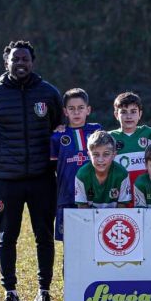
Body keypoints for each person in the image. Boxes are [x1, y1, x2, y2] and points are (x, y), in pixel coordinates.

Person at [0, 40, 63, 301]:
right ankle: (10, 292)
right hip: (7, 180)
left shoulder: (49, 93)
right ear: (6, 62)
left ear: (33, 62)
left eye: (25, 59)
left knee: (43, 236)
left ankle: (44, 292)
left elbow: (58, 134)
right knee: (7, 237)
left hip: (41, 179)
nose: (20, 64)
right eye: (15, 59)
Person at [51, 88, 102, 240]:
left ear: (88, 110)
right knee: (70, 241)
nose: (76, 112)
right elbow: (53, 168)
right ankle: (68, 265)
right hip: (67, 196)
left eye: (80, 108)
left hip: (95, 195)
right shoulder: (57, 136)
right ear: (65, 112)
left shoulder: (97, 131)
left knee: (96, 239)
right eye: (71, 109)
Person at [109, 92, 151, 199]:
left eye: (133, 112)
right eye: (124, 112)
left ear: (140, 114)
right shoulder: (109, 138)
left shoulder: (149, 133)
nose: (129, 116)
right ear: (116, 115)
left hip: (146, 195)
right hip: (120, 196)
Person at [74, 131, 132, 208]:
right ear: (89, 155)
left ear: (114, 155)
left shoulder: (122, 174)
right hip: (90, 218)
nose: (100, 160)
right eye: (95, 154)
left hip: (113, 218)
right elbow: (82, 207)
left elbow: (122, 206)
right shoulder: (82, 174)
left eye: (106, 154)